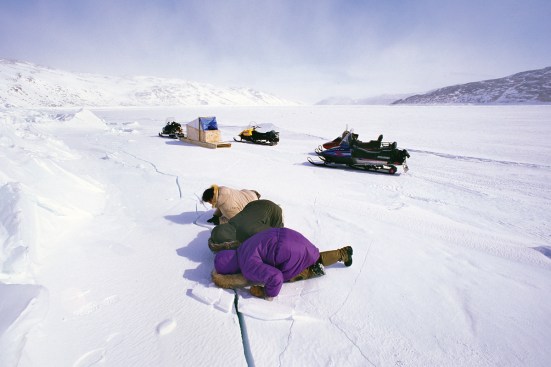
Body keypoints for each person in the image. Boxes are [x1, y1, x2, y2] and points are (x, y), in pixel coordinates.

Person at [212, 227, 353, 300]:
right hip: (291, 237)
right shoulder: (244, 245)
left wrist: (266, 293)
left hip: (288, 251)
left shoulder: (247, 266)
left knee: (285, 275)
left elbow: (276, 277)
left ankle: (312, 270)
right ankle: (342, 253)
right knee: (312, 254)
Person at [208, 199, 284, 252]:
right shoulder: (233, 225)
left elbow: (277, 234)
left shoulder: (251, 231)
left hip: (258, 206)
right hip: (253, 204)